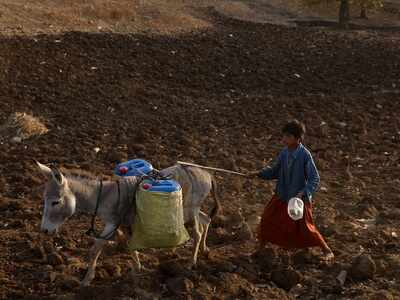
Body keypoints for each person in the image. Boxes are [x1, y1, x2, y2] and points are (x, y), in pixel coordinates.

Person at [248, 119, 334, 260]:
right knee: (267, 219)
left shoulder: (304, 155)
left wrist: (304, 192)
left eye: (288, 136)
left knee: (306, 227)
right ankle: (261, 248)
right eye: (284, 136)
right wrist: (258, 173)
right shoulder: (284, 153)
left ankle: (326, 250)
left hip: (298, 199)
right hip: (282, 194)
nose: (284, 139)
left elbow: (315, 178)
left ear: (297, 138)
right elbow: (275, 171)